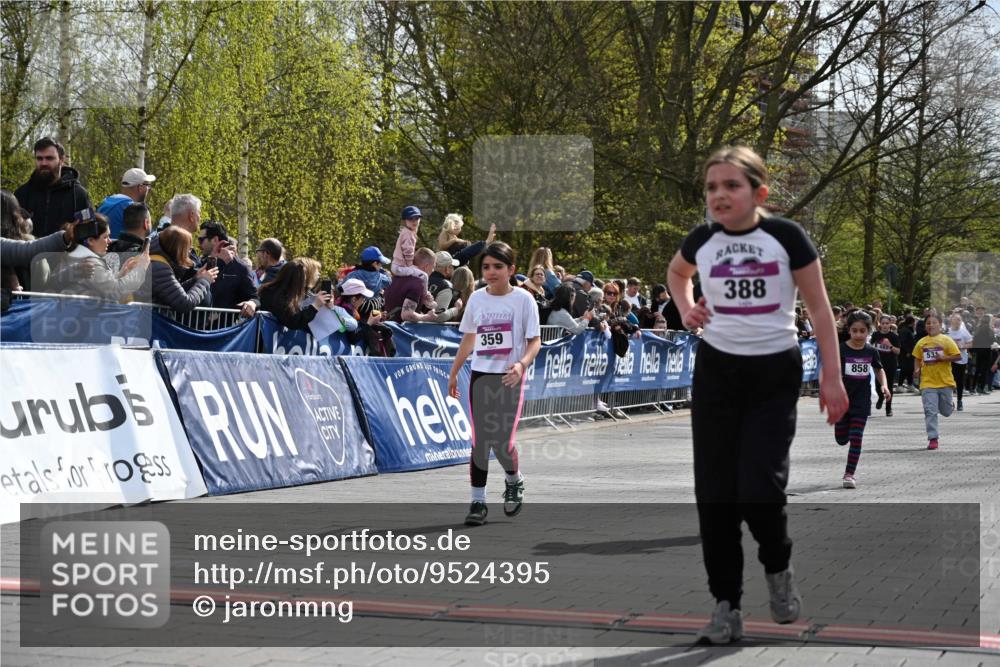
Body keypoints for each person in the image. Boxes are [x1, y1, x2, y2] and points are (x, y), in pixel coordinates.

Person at [666, 145, 848, 645]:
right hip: (717, 372)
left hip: (773, 372)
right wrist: (685, 307)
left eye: (731, 186)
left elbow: (820, 310)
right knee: (715, 493)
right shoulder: (702, 238)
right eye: (711, 187)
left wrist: (831, 379)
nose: (719, 195)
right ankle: (726, 605)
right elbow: (677, 274)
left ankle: (778, 567)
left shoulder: (785, 237)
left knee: (759, 488)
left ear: (758, 193)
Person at [448, 242, 541, 527]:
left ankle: (514, 479)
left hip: (510, 377)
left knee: (502, 444)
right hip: (481, 375)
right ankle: (478, 502)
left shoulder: (524, 300)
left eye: (498, 267)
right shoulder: (476, 298)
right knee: (480, 442)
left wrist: (521, 364)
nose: (491, 272)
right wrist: (454, 372)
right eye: (486, 267)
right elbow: (469, 338)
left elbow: (534, 341)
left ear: (511, 270)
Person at [835, 311, 889, 489]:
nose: (858, 335)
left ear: (868, 331)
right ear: (849, 330)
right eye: (854, 330)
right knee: (842, 439)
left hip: (862, 400)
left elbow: (879, 370)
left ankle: (849, 474)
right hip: (841, 399)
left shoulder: (871, 351)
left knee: (856, 437)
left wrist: (884, 386)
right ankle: (842, 430)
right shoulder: (841, 349)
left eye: (862, 331)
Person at [14, 137, 92, 238]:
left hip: (67, 253)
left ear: (62, 160)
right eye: (39, 158)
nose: (43, 163)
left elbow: (89, 234)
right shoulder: (21, 194)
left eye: (49, 158)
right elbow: (11, 234)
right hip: (29, 253)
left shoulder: (79, 195)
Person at [59, 213, 149, 302]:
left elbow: (104, 285)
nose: (109, 241)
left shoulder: (73, 256)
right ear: (90, 240)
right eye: (105, 237)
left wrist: (122, 272)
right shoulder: (90, 263)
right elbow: (115, 292)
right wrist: (141, 269)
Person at [912, 313, 962, 450]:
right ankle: (933, 438)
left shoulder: (946, 340)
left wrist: (943, 358)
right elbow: (917, 358)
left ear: (940, 325)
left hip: (945, 382)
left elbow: (958, 356)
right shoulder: (921, 342)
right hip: (927, 383)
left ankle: (949, 405)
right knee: (930, 411)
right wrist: (917, 370)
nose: (931, 325)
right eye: (928, 323)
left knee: (945, 412)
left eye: (934, 322)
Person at [198, 220, 258, 317]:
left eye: (201, 240)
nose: (199, 245)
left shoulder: (240, 267)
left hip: (224, 330)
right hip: (196, 328)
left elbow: (254, 297)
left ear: (215, 240)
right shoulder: (201, 263)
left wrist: (252, 303)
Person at [149, 226, 216, 313]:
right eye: (189, 248)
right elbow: (184, 303)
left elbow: (173, 294)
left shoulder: (157, 264)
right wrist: (205, 281)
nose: (189, 253)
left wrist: (195, 279)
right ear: (179, 249)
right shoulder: (159, 268)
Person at [384, 247, 459, 323]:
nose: (433, 271)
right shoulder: (418, 284)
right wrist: (427, 317)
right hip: (400, 331)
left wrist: (424, 300)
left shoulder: (397, 277)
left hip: (386, 326)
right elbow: (406, 315)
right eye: (433, 267)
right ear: (426, 267)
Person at [258, 257, 332, 330]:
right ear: (305, 275)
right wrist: (315, 306)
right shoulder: (275, 294)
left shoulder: (296, 292)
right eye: (316, 271)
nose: (318, 275)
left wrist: (326, 305)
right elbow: (293, 321)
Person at [392, 205, 436, 309]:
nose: (414, 221)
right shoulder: (409, 234)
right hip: (401, 267)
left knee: (419, 273)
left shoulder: (408, 232)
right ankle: (425, 297)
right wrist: (410, 266)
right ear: (404, 221)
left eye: (417, 218)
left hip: (398, 265)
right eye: (410, 218)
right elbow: (408, 251)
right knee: (424, 275)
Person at [97, 167, 155, 238]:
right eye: (147, 185)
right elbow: (147, 236)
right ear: (140, 187)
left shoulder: (108, 201)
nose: (148, 189)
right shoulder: (132, 208)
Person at [870, 315, 900, 416]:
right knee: (878, 385)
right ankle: (880, 397)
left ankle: (888, 408)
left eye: (887, 323)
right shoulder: (876, 335)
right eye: (883, 323)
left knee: (889, 386)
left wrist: (890, 345)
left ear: (890, 324)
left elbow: (898, 351)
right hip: (878, 364)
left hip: (890, 364)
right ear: (880, 324)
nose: (885, 326)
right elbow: (870, 346)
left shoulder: (894, 336)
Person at [945, 313, 973, 411]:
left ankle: (959, 401)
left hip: (961, 360)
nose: (956, 322)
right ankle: (949, 401)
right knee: (948, 380)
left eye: (958, 320)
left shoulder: (963, 332)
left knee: (959, 381)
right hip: (949, 359)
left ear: (960, 321)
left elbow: (971, 343)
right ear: (951, 321)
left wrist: (963, 346)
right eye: (954, 320)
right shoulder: (947, 332)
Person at [972, 314, 996, 394]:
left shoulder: (978, 328)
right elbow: (992, 340)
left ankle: (973, 387)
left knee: (977, 370)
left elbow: (974, 339)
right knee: (985, 370)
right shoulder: (989, 329)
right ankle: (981, 388)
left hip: (978, 351)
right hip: (987, 351)